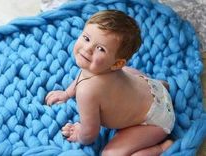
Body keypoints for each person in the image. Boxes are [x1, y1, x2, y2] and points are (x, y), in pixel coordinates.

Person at [45, 10, 175, 156]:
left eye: (100, 49)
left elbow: (90, 134)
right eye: (86, 38)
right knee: (126, 72)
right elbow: (82, 75)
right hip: (154, 89)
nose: (87, 49)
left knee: (110, 155)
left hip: (155, 121)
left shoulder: (87, 92)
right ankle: (162, 85)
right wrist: (67, 93)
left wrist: (79, 134)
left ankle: (160, 149)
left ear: (117, 63)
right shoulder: (100, 68)